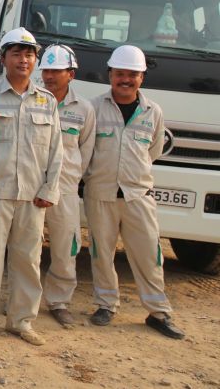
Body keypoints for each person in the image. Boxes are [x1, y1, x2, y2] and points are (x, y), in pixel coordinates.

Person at [83, 45, 185, 339]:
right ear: (110, 75)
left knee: (149, 255)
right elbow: (86, 149)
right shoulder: (93, 109)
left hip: (138, 196)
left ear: (142, 77)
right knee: (101, 253)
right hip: (100, 194)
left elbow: (153, 151)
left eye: (132, 74)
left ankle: (158, 312)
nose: (125, 80)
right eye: (120, 74)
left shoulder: (153, 112)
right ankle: (105, 304)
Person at [0, 27, 63, 347]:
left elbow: (56, 150)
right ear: (3, 58)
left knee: (28, 260)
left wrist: (50, 189)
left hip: (32, 197)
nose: (24, 60)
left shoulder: (46, 101)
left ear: (36, 60)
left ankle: (21, 320)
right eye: (17, 54)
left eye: (29, 55)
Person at [38, 45, 95, 327]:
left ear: (70, 74)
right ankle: (22, 301)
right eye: (46, 70)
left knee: (65, 246)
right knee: (26, 247)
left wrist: (69, 179)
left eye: (56, 71)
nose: (49, 76)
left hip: (65, 189)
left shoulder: (84, 109)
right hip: (33, 187)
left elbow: (86, 150)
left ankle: (59, 301)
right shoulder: (33, 100)